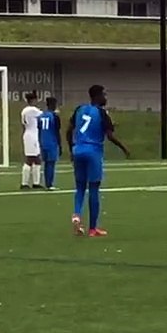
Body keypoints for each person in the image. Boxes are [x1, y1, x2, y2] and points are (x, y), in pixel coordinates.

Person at [67, 85, 129, 237]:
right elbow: (110, 136)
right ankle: (93, 229)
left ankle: (76, 214)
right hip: (93, 152)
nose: (106, 98)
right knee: (94, 188)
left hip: (78, 150)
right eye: (104, 95)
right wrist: (124, 148)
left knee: (80, 187)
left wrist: (71, 149)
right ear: (97, 96)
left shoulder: (79, 109)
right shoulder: (102, 113)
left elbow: (69, 130)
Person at [19, 91, 43, 190]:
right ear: (33, 100)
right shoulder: (32, 110)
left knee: (37, 159)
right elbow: (43, 115)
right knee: (30, 159)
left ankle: (36, 183)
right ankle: (24, 183)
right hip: (32, 136)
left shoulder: (24, 110)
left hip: (29, 134)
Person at [39, 96, 62, 191]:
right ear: (54, 105)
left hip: (43, 142)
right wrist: (60, 144)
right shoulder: (54, 116)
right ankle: (50, 184)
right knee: (51, 164)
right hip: (52, 142)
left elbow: (39, 129)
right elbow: (57, 131)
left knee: (46, 164)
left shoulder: (41, 116)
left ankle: (46, 183)